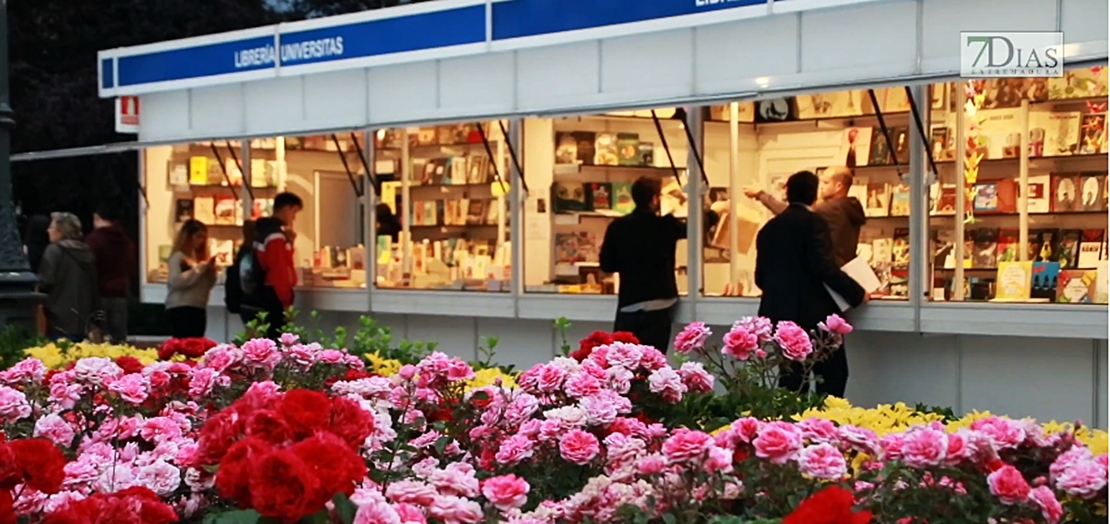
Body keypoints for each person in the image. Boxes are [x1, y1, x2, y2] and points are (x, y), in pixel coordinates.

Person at [754, 171, 866, 397]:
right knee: (831, 377)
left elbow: (760, 277)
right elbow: (824, 267)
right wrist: (857, 293)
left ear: (787, 193)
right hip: (814, 314)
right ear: (814, 195)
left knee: (792, 381)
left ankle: (792, 427)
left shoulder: (769, 228)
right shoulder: (814, 223)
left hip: (781, 316)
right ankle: (824, 426)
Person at [599, 176, 686, 353]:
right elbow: (699, 226)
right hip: (660, 300)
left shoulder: (618, 227)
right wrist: (711, 210)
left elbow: (607, 264)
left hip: (630, 302)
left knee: (624, 362)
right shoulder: (666, 225)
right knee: (652, 362)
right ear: (654, 199)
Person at [744, 166, 865, 266]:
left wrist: (761, 194)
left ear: (839, 186)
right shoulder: (847, 206)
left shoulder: (831, 208)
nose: (821, 186)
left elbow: (792, 212)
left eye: (826, 182)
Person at [241, 192, 302, 339]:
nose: (294, 217)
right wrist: (286, 301)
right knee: (276, 340)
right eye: (294, 211)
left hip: (261, 294)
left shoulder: (264, 232)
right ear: (286, 208)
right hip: (273, 297)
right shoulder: (275, 236)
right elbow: (279, 269)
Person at [38, 212, 101, 343]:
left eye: (51, 227)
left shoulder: (53, 250)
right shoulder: (86, 251)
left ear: (60, 231)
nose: (48, 230)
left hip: (57, 319)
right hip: (82, 319)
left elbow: (45, 281)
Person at [85, 202, 136, 342]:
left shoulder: (94, 240)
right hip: (120, 294)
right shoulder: (126, 241)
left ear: (96, 217)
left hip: (99, 294)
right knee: (119, 339)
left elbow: (90, 269)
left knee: (99, 339)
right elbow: (131, 268)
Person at [165, 220, 218, 338]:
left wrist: (211, 270)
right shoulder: (178, 258)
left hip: (198, 306)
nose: (201, 241)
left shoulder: (198, 258)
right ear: (188, 237)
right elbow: (177, 281)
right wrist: (199, 269)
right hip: (181, 307)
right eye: (198, 237)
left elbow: (208, 285)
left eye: (204, 238)